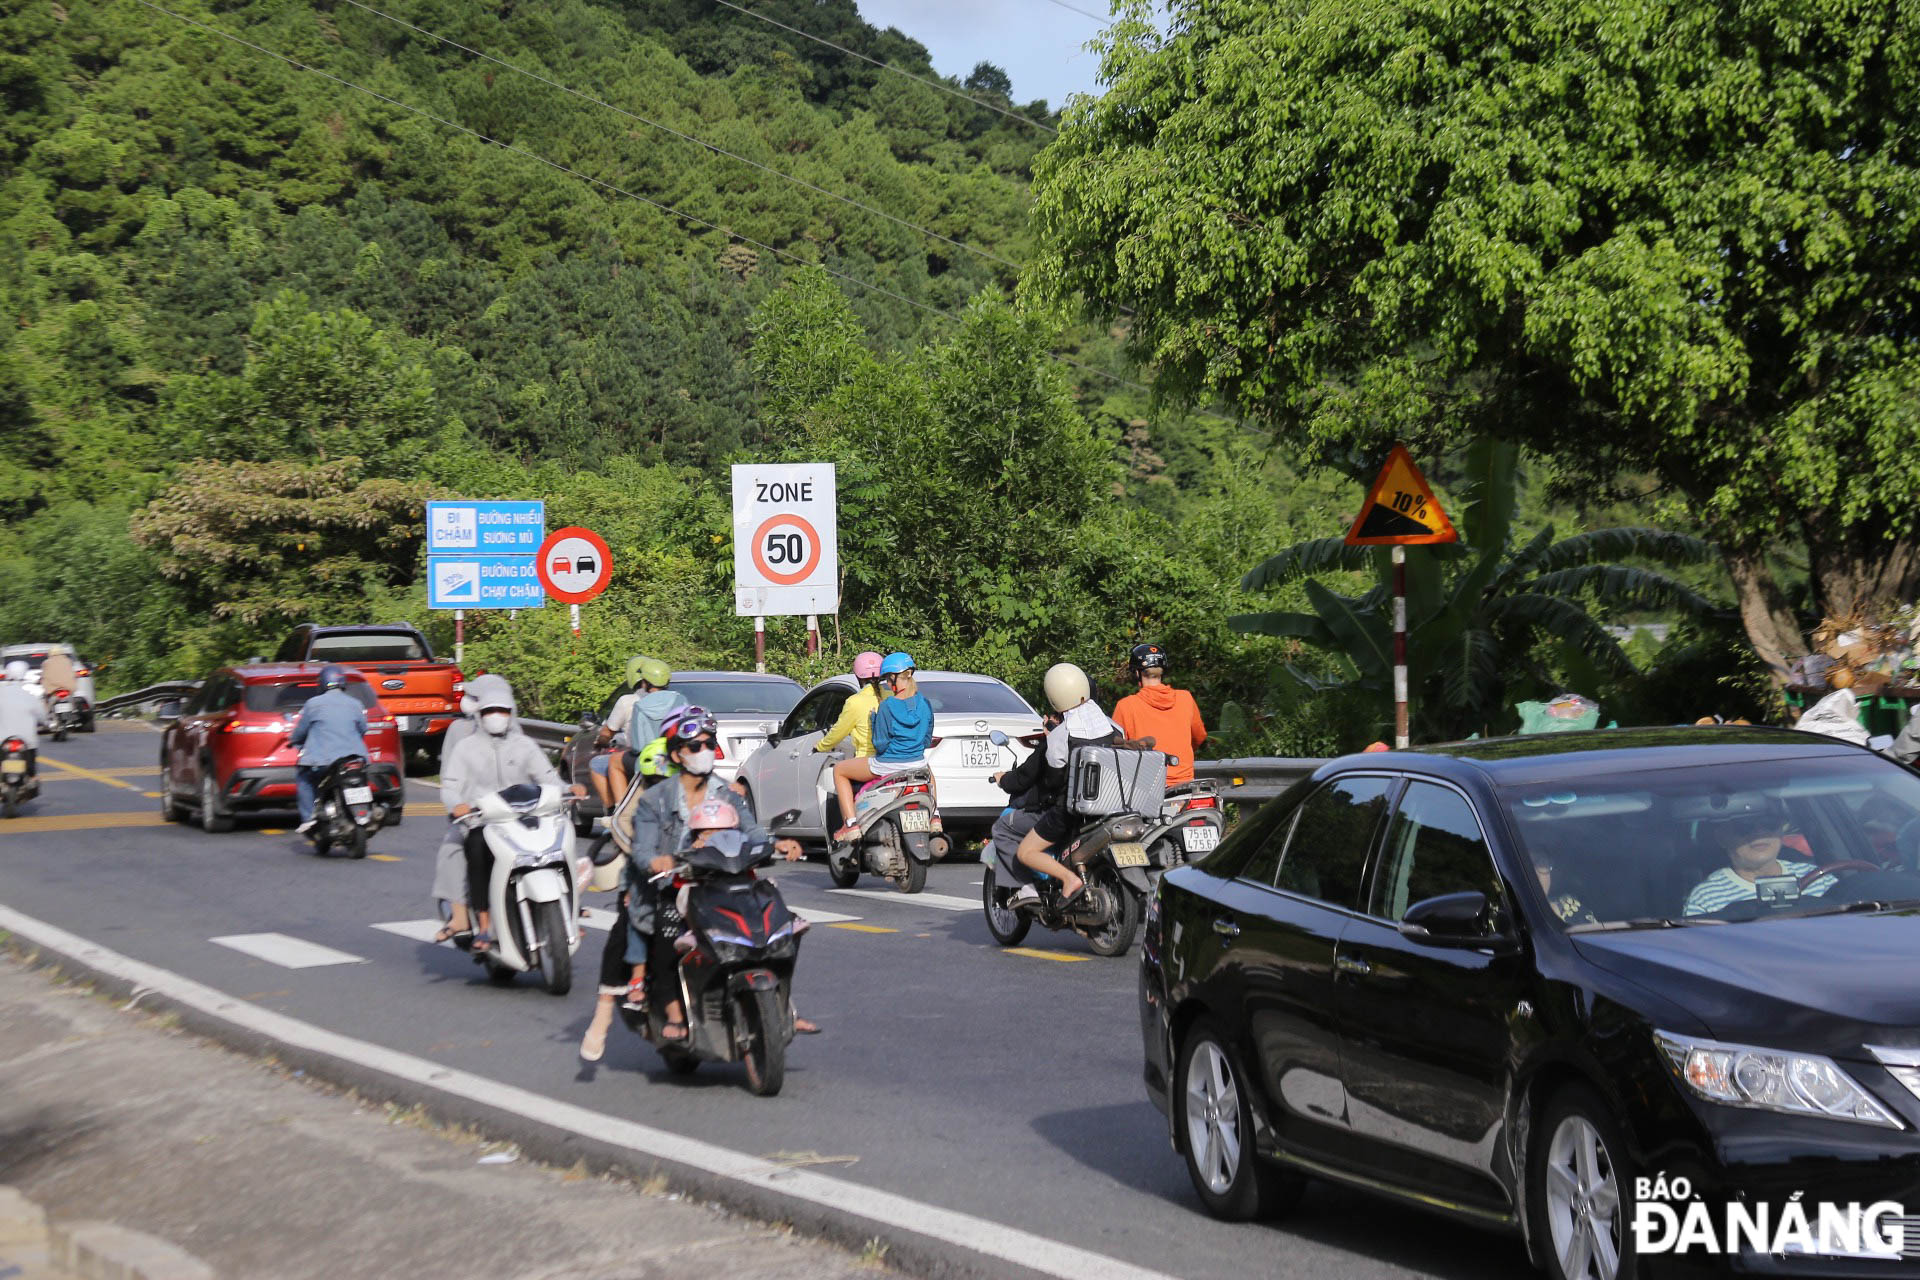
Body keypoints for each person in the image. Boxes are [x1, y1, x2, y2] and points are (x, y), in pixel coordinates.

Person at [600, 710, 804, 1050]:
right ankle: (673, 1012)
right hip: (675, 886)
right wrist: (659, 860)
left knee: (783, 925)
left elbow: (752, 833)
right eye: (696, 746)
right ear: (678, 754)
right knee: (668, 935)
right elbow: (642, 850)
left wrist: (776, 844)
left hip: (728, 881)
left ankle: (783, 1006)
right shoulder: (655, 799)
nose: (705, 751)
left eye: (710, 744)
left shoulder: (727, 793)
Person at [442, 674, 579, 952]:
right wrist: (457, 805)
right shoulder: (465, 747)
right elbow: (450, 785)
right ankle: (483, 926)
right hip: (485, 821)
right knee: (476, 850)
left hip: (526, 817)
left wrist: (569, 789)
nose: (496, 716)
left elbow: (547, 777)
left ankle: (575, 909)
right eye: (490, 711)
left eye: (502, 711)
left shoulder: (524, 745)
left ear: (510, 713)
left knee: (562, 840)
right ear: (481, 715)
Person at [1009, 663, 1123, 910]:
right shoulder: (1114, 728)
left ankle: (1069, 880)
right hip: (1112, 807)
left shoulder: (1062, 734)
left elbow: (1052, 779)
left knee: (1026, 852)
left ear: (1054, 697)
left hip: (1072, 813)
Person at [830, 652, 933, 844]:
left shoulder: (887, 706)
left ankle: (851, 825)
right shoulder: (925, 704)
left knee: (839, 771)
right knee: (928, 771)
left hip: (887, 765)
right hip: (916, 764)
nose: (885, 682)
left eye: (886, 678)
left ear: (893, 678)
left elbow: (880, 744)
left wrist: (874, 721)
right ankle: (935, 816)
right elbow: (926, 740)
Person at [1684, 810, 1838, 917]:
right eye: (1744, 825)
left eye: (1770, 823)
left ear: (1781, 830)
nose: (1759, 832)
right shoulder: (1707, 897)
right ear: (1722, 837)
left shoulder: (1818, 877)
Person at [591, 657, 687, 809]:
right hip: (674, 755)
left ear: (645, 682)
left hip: (647, 757)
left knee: (608, 762)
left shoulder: (638, 704)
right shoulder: (680, 699)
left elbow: (637, 745)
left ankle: (618, 809)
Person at [289, 665, 370, 836]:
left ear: (322, 683)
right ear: (343, 682)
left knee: (304, 778)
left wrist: (295, 741)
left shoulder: (313, 704)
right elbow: (363, 729)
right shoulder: (355, 704)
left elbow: (301, 732)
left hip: (323, 761)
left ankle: (308, 819)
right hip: (356, 759)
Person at [1112, 643, 1207, 785]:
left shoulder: (1126, 706)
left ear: (1137, 673)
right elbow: (1199, 737)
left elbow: (1114, 751)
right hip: (1185, 784)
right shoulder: (1185, 698)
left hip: (1146, 787)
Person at [430, 694, 480, 945]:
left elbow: (539, 774)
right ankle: (459, 916)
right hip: (474, 814)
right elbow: (448, 779)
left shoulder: (516, 735)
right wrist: (457, 804)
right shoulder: (459, 731)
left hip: (511, 814)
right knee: (452, 851)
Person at [0, 660, 47, 778]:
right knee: (31, 773)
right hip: (27, 743)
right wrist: (46, 723)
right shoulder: (30, 697)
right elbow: (43, 717)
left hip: (2, 742)